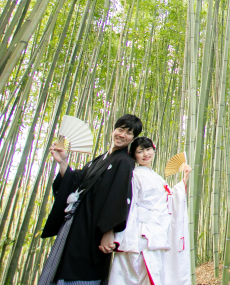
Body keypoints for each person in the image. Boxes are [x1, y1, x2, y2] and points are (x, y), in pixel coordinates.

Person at [38, 114, 143, 285]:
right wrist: (63, 162)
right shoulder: (99, 159)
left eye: (129, 133)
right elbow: (76, 183)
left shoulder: (124, 161)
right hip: (76, 227)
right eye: (120, 129)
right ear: (113, 130)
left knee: (82, 273)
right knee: (65, 269)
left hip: (93, 231)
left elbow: (118, 195)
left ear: (133, 138)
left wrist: (109, 232)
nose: (122, 135)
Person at [109, 137, 192, 285]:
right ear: (134, 155)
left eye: (148, 149)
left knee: (154, 273)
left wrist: (183, 181)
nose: (145, 154)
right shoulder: (134, 175)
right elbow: (131, 206)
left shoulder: (157, 178)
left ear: (154, 150)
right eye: (140, 151)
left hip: (157, 234)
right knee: (137, 275)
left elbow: (169, 200)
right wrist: (125, 237)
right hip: (140, 235)